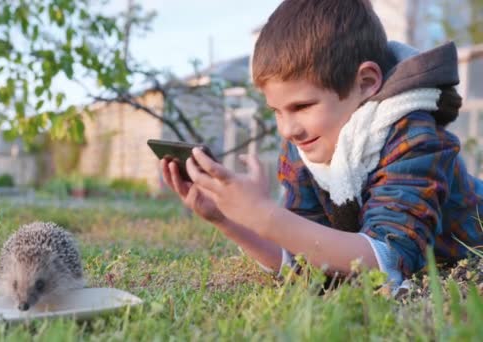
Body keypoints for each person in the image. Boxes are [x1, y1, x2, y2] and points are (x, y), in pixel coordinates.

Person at [160, 0, 483, 291]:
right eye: (277, 111)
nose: (287, 129)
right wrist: (229, 220)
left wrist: (264, 215)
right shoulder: (305, 145)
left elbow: (388, 261)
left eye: (302, 106)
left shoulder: (414, 137)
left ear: (366, 83)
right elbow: (308, 259)